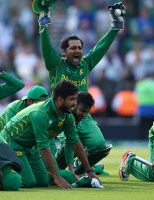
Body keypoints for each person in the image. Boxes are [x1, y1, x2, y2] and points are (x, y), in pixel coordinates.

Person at [38, 2, 126, 172]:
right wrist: (43, 25)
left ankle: (78, 168)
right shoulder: (56, 65)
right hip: (60, 116)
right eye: (73, 48)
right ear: (64, 52)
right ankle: (57, 168)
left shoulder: (85, 65)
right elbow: (46, 47)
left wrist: (115, 27)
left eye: (80, 47)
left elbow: (101, 47)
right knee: (59, 156)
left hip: (83, 117)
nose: (78, 50)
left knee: (100, 146)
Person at [0, 81, 100, 189]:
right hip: (11, 142)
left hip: (30, 147)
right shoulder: (41, 113)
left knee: (43, 182)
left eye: (75, 99)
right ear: (60, 99)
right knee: (29, 182)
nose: (75, 103)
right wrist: (57, 177)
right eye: (71, 99)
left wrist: (89, 171)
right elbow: (43, 148)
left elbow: (75, 143)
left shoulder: (67, 116)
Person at [56, 92, 112, 174]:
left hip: (74, 107)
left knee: (98, 145)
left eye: (87, 112)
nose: (84, 115)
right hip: (40, 145)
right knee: (49, 174)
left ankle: (79, 167)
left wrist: (87, 171)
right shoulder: (61, 114)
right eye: (82, 111)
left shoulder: (79, 115)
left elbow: (70, 141)